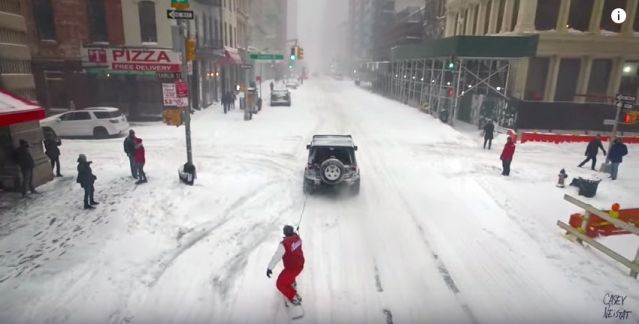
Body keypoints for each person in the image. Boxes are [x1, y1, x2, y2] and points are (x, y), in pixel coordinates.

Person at [267, 225, 305, 306]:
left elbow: (277, 256)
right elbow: (294, 239)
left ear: (285, 233)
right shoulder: (297, 238)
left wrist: (270, 268)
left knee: (280, 284)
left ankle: (294, 297)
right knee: (289, 276)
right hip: (300, 265)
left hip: (292, 268)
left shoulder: (284, 244)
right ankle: (291, 282)